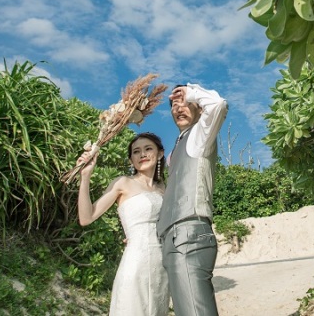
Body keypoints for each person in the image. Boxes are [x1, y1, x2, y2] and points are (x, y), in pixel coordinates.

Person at [78, 132, 170, 316]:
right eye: (136, 151)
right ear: (131, 160)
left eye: (148, 148)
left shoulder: (164, 188)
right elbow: (86, 218)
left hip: (162, 266)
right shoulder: (123, 183)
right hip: (136, 263)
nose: (142, 154)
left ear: (160, 154)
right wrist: (85, 177)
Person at [156, 83, 228, 316]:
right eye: (174, 104)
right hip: (173, 237)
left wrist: (192, 92)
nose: (179, 108)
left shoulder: (200, 135)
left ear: (198, 109)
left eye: (187, 103)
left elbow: (218, 105)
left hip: (188, 233)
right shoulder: (174, 152)